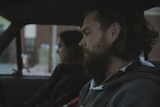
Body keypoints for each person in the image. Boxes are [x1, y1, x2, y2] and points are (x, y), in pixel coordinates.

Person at [78, 0, 160, 107]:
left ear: (113, 33)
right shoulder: (90, 86)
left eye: (87, 33)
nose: (80, 43)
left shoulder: (139, 93)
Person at [24, 30, 89, 107]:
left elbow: (58, 102)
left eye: (60, 46)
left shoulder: (78, 77)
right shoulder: (62, 69)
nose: (57, 51)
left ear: (72, 48)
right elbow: (43, 93)